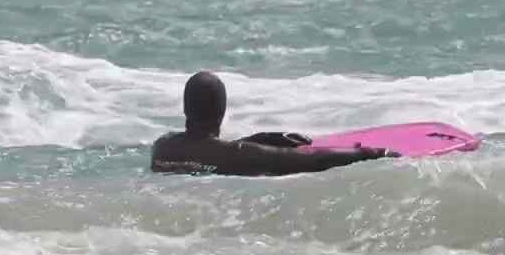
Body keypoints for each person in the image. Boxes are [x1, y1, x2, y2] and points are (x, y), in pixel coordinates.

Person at [150, 71, 398, 176]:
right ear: (221, 114)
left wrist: (260, 138)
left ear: (185, 109)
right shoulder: (237, 155)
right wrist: (373, 153)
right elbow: (316, 160)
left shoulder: (162, 147)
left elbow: (211, 153)